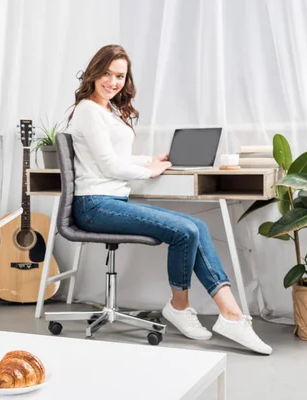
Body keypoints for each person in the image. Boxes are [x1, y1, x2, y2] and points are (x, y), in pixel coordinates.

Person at [67, 44, 272, 355]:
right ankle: (181, 306)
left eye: (120, 76)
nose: (113, 81)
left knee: (197, 226)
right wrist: (149, 171)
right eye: (107, 73)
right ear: (95, 73)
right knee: (185, 231)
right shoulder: (87, 111)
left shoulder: (106, 111)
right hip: (94, 205)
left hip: (111, 202)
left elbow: (114, 157)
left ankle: (231, 314)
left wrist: (151, 158)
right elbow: (108, 165)